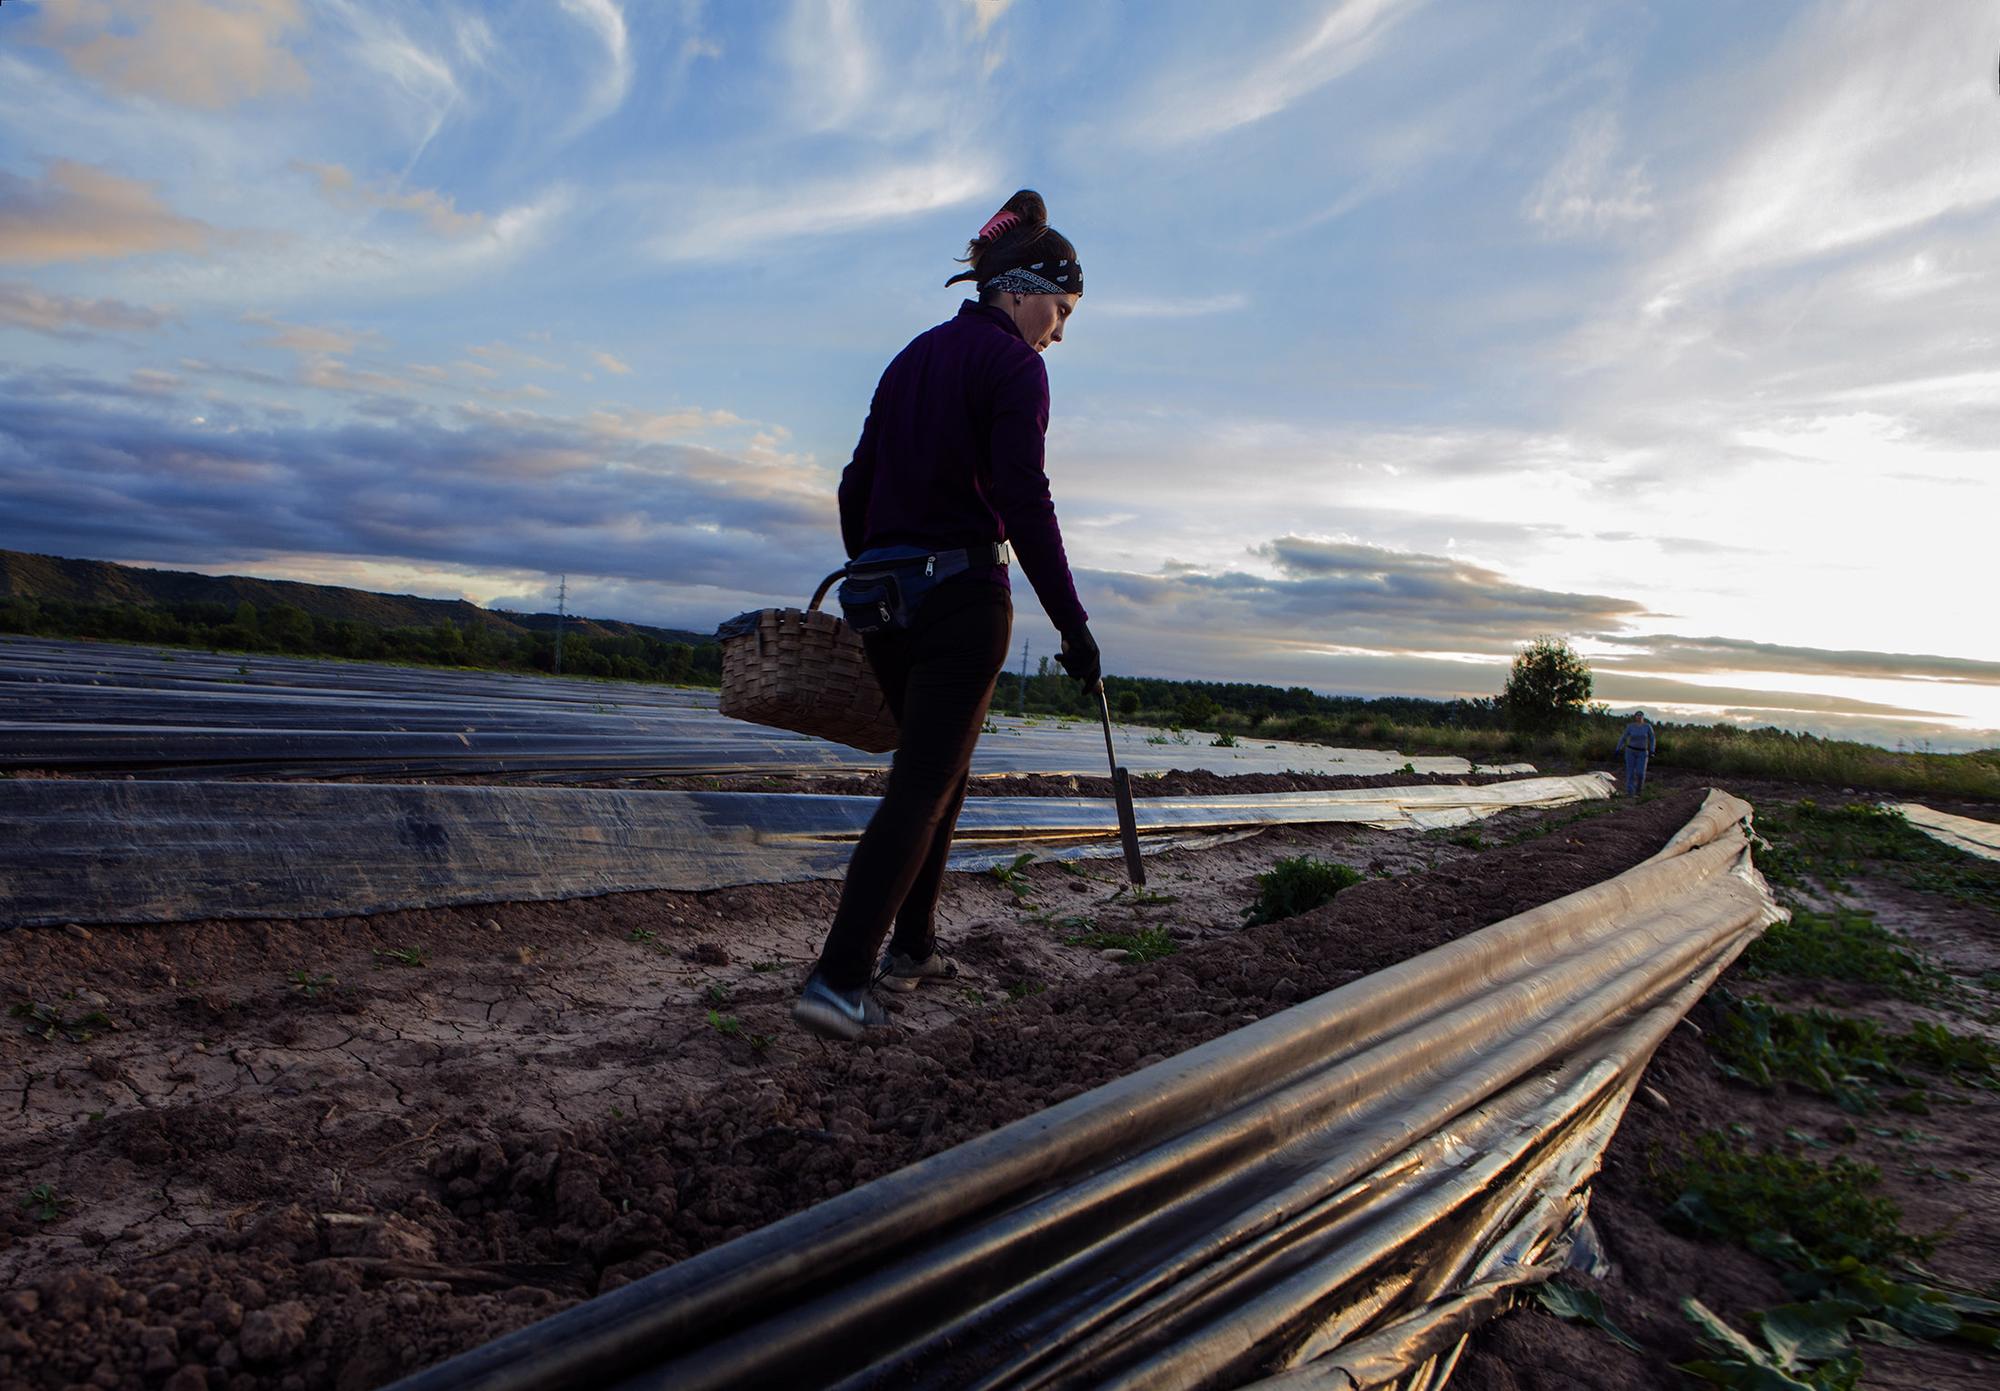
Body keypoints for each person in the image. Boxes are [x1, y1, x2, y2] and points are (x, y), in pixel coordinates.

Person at [793, 190, 1098, 1042]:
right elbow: (1022, 498)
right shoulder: (1014, 368)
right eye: (1061, 309)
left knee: (943, 774)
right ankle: (838, 979)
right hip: (963, 601)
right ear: (1023, 288)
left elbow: (855, 484)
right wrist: (1072, 624)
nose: (1060, 331)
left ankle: (914, 947)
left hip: (883, 602)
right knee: (922, 785)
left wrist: (877, 560)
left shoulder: (911, 358)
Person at [1614, 710, 1656, 796]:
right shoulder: (1630, 727)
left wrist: (1652, 750)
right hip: (1630, 751)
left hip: (1642, 752)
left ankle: (1638, 790)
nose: (1639, 717)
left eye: (1641, 715)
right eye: (1637, 715)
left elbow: (1652, 739)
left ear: (1643, 717)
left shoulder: (1647, 727)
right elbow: (1623, 738)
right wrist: (1618, 748)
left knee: (1640, 773)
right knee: (1630, 772)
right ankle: (1630, 792)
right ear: (1635, 717)